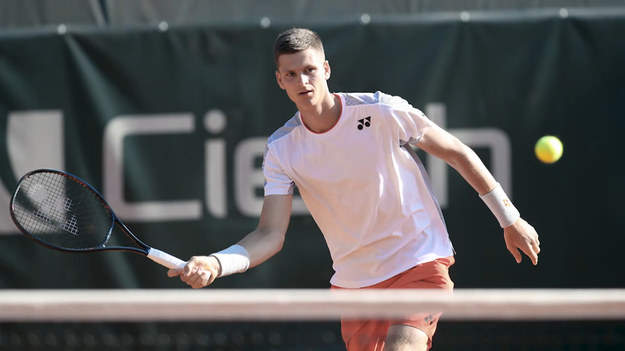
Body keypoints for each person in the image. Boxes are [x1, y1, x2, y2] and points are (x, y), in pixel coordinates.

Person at [168, 27, 541, 351]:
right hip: (355, 282)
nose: (304, 82)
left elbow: (457, 153)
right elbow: (270, 233)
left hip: (419, 258)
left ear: (326, 69)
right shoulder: (281, 149)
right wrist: (217, 262)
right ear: (280, 80)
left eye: (310, 70)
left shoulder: (381, 111)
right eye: (292, 74)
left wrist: (509, 218)